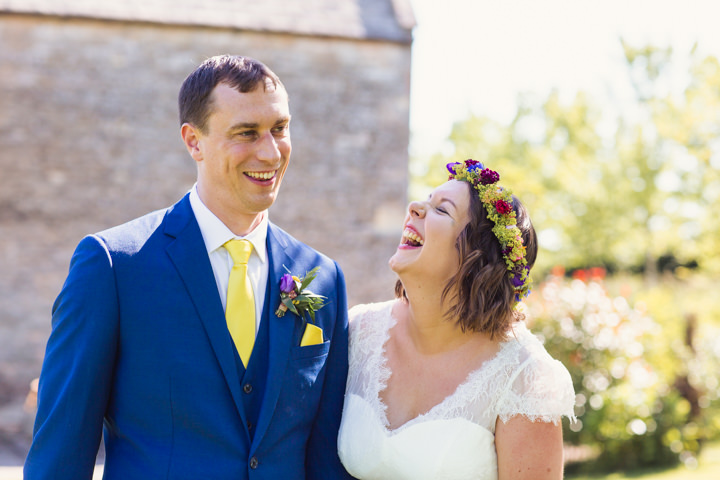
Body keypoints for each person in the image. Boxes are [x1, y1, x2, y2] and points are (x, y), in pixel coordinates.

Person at [25, 55, 353, 480]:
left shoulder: (323, 277)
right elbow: (60, 456)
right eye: (246, 133)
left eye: (279, 129)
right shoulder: (113, 267)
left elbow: (325, 458)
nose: (271, 152)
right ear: (193, 141)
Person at [338, 159, 576, 480]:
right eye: (426, 200)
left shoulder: (524, 379)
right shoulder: (358, 331)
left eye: (442, 210)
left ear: (477, 260)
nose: (415, 208)